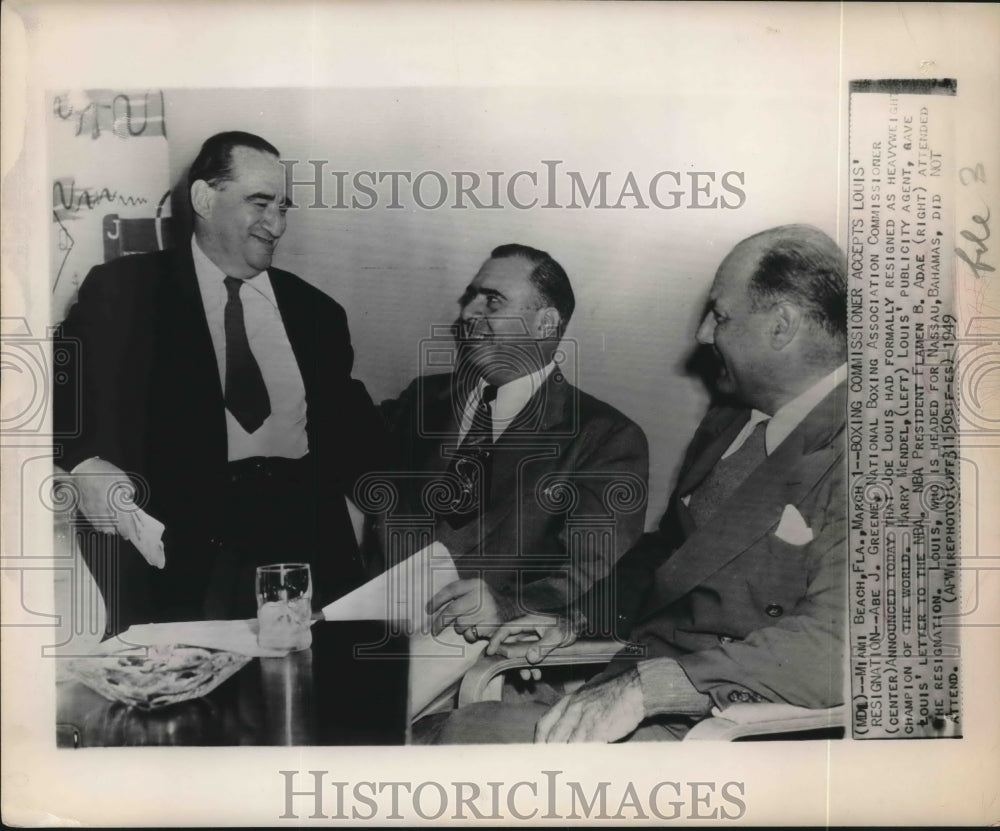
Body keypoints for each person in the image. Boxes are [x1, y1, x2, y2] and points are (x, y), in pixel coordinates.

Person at [431, 224, 849, 742]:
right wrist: (576, 620)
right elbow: (666, 555)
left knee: (463, 741)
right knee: (454, 731)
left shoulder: (875, 448)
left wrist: (648, 690)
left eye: (719, 316)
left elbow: (840, 643)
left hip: (727, 723)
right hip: (635, 673)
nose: (702, 335)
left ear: (781, 327)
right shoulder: (730, 420)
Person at [54, 131, 384, 631]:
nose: (276, 224)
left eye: (284, 207)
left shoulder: (317, 313)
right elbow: (58, 391)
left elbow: (351, 432)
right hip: (181, 553)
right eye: (260, 203)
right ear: (205, 198)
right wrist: (84, 462)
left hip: (304, 547)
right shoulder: (126, 290)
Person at [362, 244, 649, 643]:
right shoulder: (420, 400)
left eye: (492, 301)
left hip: (496, 657)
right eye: (471, 298)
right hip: (372, 643)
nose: (467, 315)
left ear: (545, 324)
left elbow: (591, 573)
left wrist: (508, 607)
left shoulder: (605, 437)